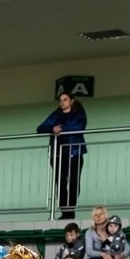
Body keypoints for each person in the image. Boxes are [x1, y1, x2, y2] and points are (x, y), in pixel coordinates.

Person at [36, 91, 86, 219]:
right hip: (58, 154)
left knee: (74, 183)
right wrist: (52, 129)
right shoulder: (56, 114)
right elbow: (40, 128)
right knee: (61, 184)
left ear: (72, 101)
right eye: (60, 100)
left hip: (74, 153)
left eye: (65, 99)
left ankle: (70, 209)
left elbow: (79, 126)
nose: (62, 102)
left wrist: (61, 129)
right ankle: (65, 212)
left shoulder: (79, 113)